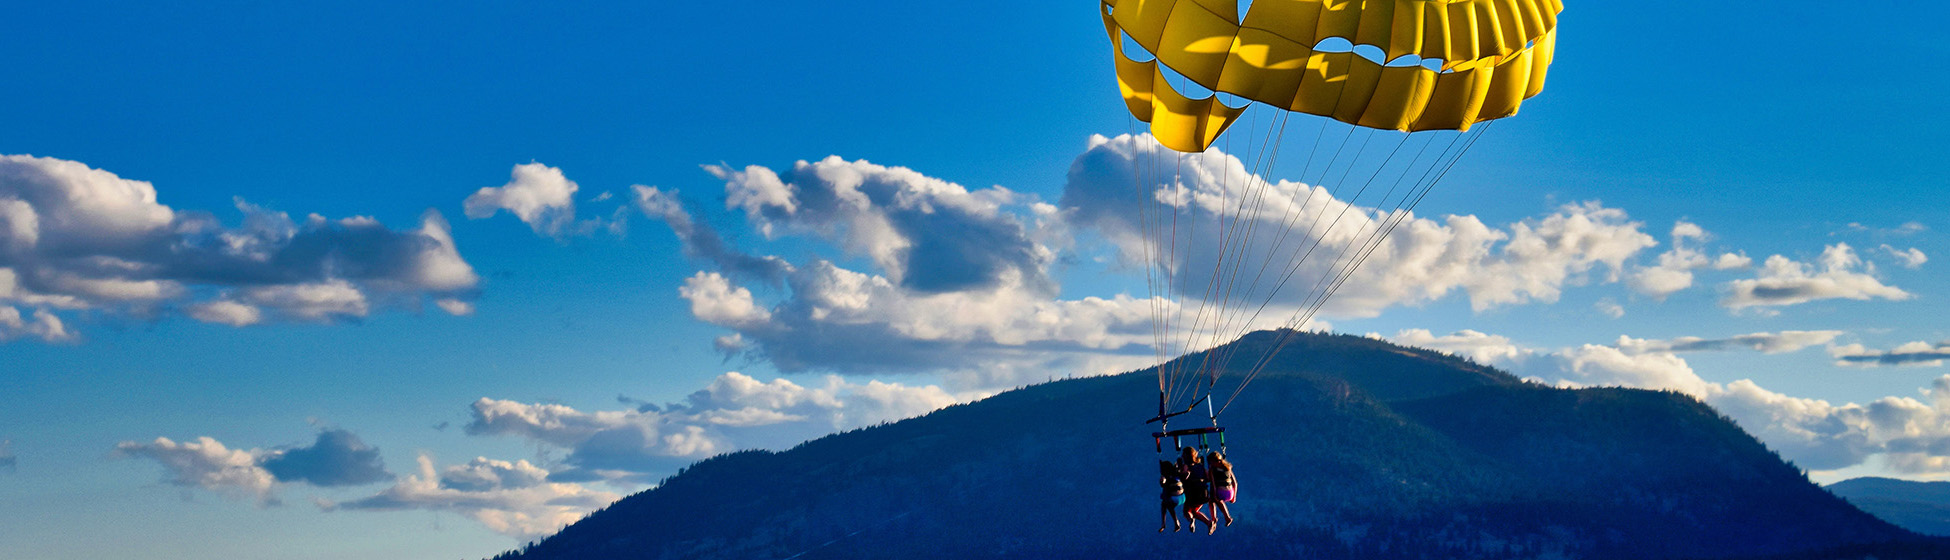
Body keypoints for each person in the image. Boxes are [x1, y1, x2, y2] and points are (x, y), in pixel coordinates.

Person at [1177, 446, 1216, 534]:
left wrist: (1179, 470)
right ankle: (1208, 522)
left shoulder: (1186, 466)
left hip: (1192, 493)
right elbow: (1208, 478)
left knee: (1187, 512)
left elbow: (1183, 477)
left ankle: (1191, 520)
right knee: (1194, 511)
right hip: (1203, 493)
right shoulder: (1200, 466)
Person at [1207, 451, 1237, 527]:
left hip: (1222, 492)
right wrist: (1234, 497)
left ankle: (1218, 518)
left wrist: (1214, 495)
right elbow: (1235, 483)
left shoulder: (1213, 470)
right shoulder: (1227, 468)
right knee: (1213, 501)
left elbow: (1213, 484)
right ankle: (1222, 518)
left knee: (1212, 500)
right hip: (1230, 493)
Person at [1158, 460, 1186, 532]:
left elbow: (1163, 485)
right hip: (1183, 497)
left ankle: (1175, 521)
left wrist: (1162, 482)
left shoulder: (1166, 477)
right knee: (1164, 504)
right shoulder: (1176, 472)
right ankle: (1164, 524)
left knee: (1166, 503)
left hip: (1175, 498)